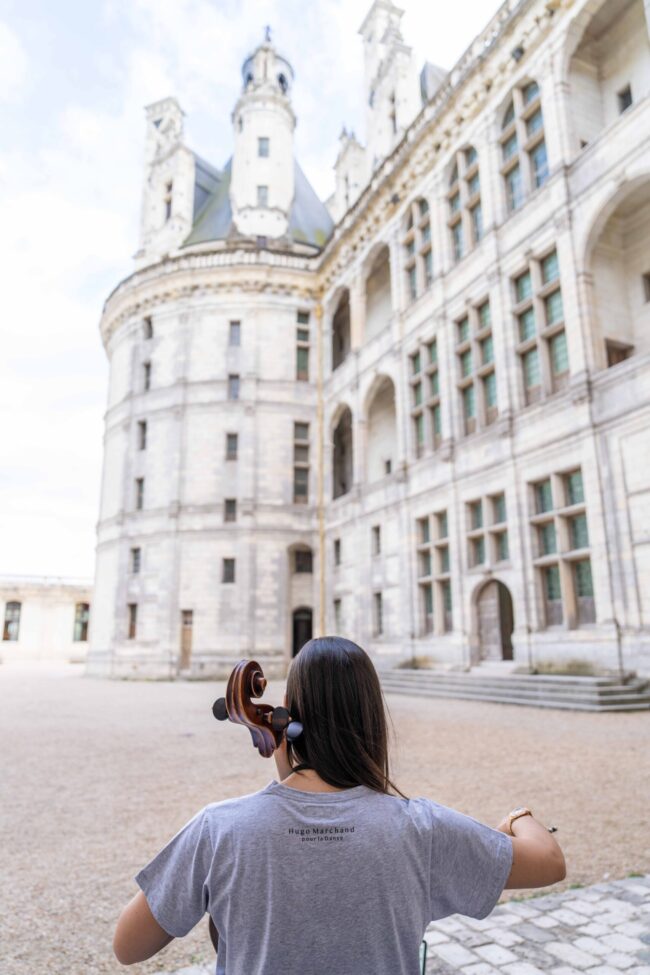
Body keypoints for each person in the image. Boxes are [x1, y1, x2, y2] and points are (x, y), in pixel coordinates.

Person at [113, 637, 566, 974]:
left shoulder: (219, 830)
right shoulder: (421, 829)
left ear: (287, 720)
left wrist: (284, 754)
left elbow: (127, 946)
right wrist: (518, 818)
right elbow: (549, 862)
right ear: (372, 720)